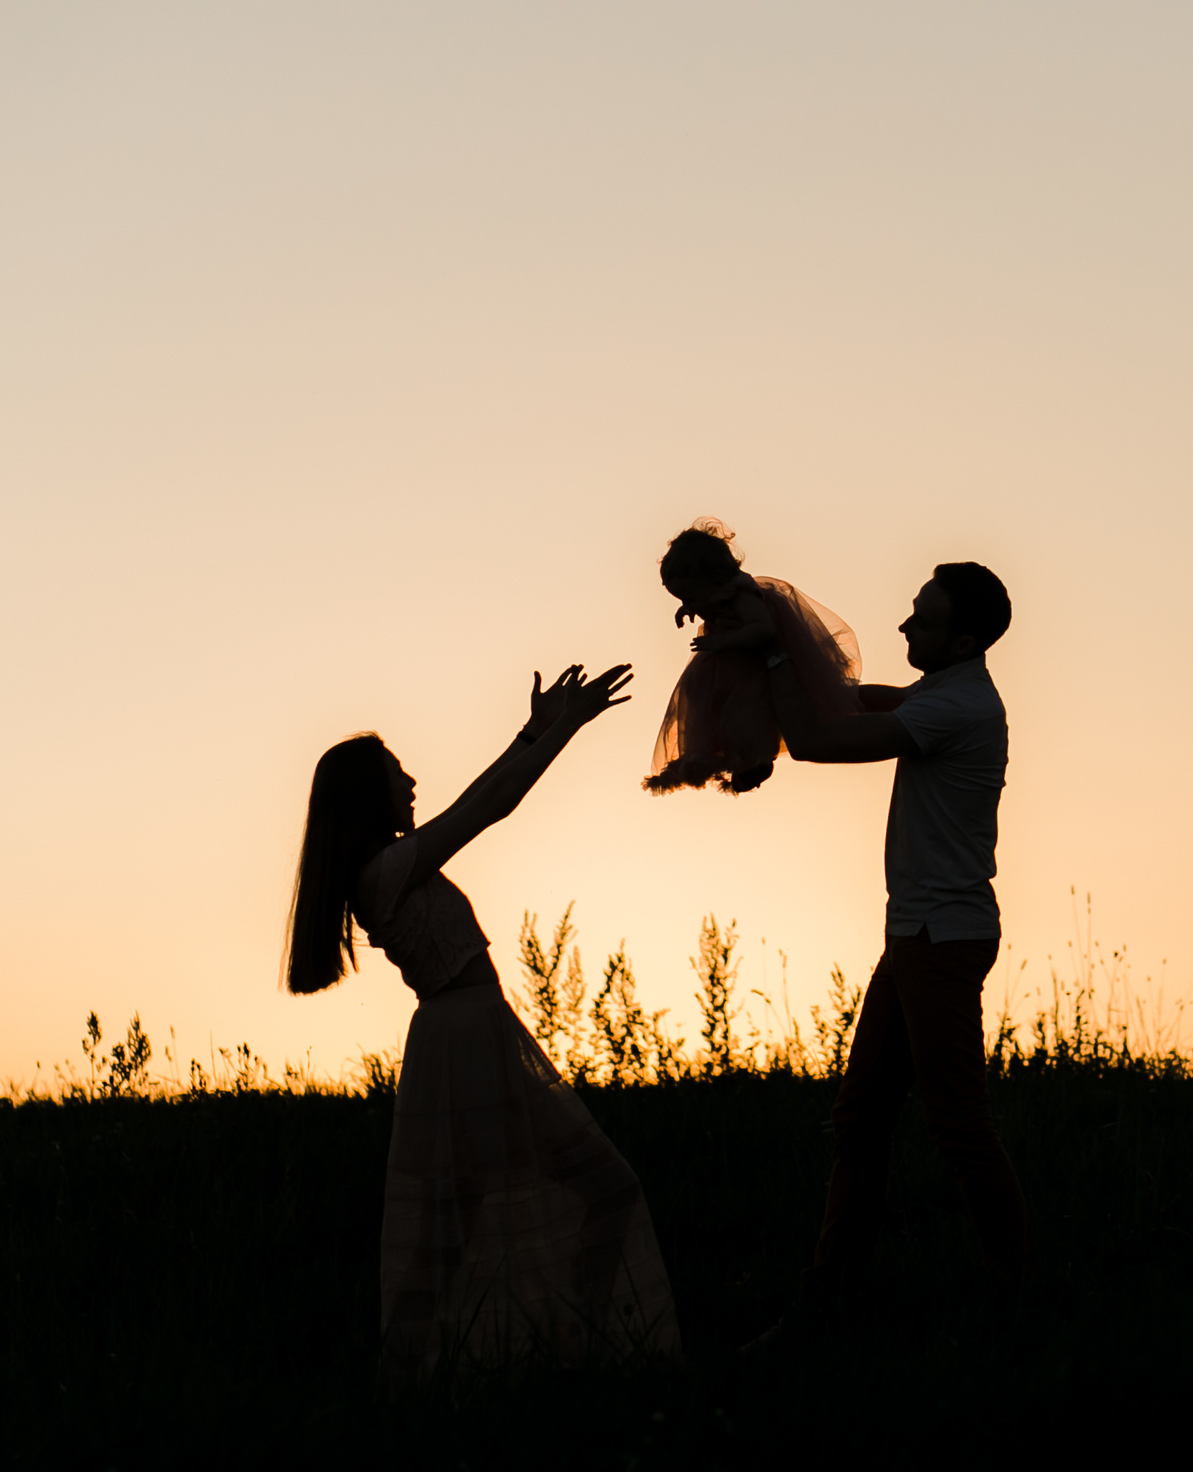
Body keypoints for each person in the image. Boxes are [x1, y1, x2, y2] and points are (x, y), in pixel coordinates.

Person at [284, 663, 678, 1373]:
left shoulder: (394, 866)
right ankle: (561, 1344)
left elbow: (487, 797)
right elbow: (490, 802)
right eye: (397, 774)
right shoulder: (385, 873)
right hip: (464, 1040)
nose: (409, 783)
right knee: (566, 1197)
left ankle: (523, 1347)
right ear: (368, 797)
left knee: (469, 1225)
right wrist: (559, 728)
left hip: (475, 1032)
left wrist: (538, 729)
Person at [747, 561, 1028, 1333]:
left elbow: (815, 742)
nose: (904, 626)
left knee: (958, 1125)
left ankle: (1027, 1293)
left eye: (921, 619)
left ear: (963, 639)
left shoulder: (960, 705)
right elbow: (854, 702)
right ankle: (831, 1293)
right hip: (917, 936)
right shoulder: (946, 692)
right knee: (861, 1118)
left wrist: (774, 654)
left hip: (940, 940)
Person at [643, 517, 863, 796]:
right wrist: (691, 607)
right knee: (703, 701)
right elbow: (706, 604)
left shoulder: (742, 594)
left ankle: (755, 759)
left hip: (755, 666)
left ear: (713, 578)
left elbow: (764, 630)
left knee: (747, 712)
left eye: (690, 595)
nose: (690, 603)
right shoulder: (713, 595)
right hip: (725, 664)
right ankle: (714, 753)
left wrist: (724, 640)